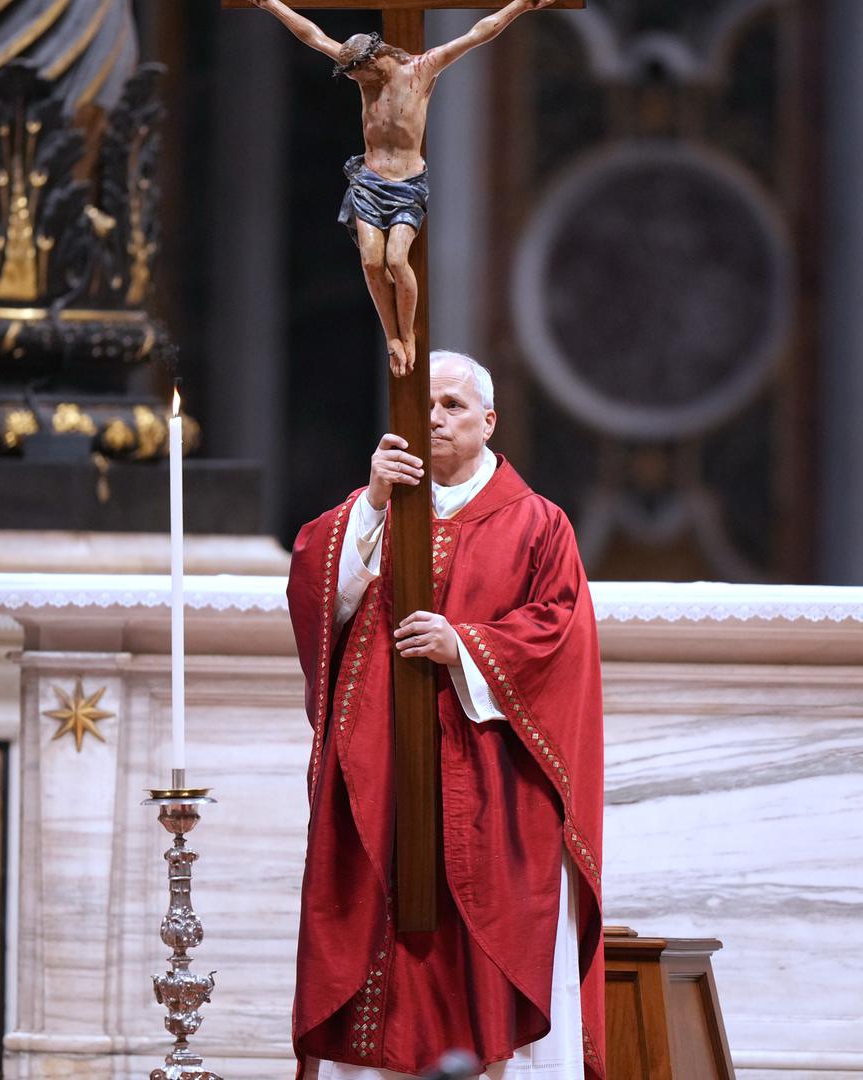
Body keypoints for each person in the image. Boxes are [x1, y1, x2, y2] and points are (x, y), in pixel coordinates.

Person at [285, 351, 605, 1080]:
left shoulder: (538, 524)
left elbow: (560, 636)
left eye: (454, 405)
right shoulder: (383, 508)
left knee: (488, 951)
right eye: (422, 404)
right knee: (381, 940)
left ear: (490, 422)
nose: (434, 417)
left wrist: (464, 645)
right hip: (389, 777)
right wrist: (368, 501)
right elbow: (317, 592)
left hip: (495, 786)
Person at [252, 0, 554, 375]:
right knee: (370, 262)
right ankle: (391, 336)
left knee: (397, 260)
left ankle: (407, 334)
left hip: (406, 184)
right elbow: (312, 35)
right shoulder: (359, 71)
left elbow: (479, 32)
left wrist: (521, 6)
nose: (355, 81)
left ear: (376, 59)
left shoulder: (421, 69)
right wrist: (271, 5)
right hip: (368, 179)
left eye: (359, 73)